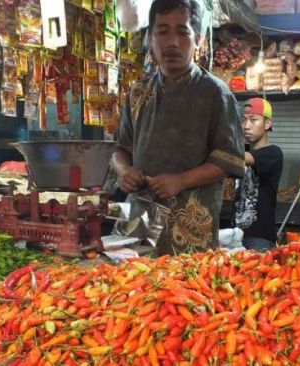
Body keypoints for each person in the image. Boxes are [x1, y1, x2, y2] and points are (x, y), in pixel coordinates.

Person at [111, 0, 245, 255]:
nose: (172, 42)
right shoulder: (138, 92)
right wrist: (125, 171)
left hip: (190, 227)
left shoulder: (215, 94)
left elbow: (229, 160)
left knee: (185, 290)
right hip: (141, 220)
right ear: (150, 38)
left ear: (199, 39)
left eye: (182, 32)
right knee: (134, 287)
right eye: (162, 31)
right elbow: (120, 148)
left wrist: (181, 180)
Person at [234, 98, 283, 252]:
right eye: (244, 120)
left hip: (259, 238)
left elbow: (240, 158)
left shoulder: (273, 153)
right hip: (236, 234)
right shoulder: (242, 151)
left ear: (267, 124)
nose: (246, 126)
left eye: (253, 120)